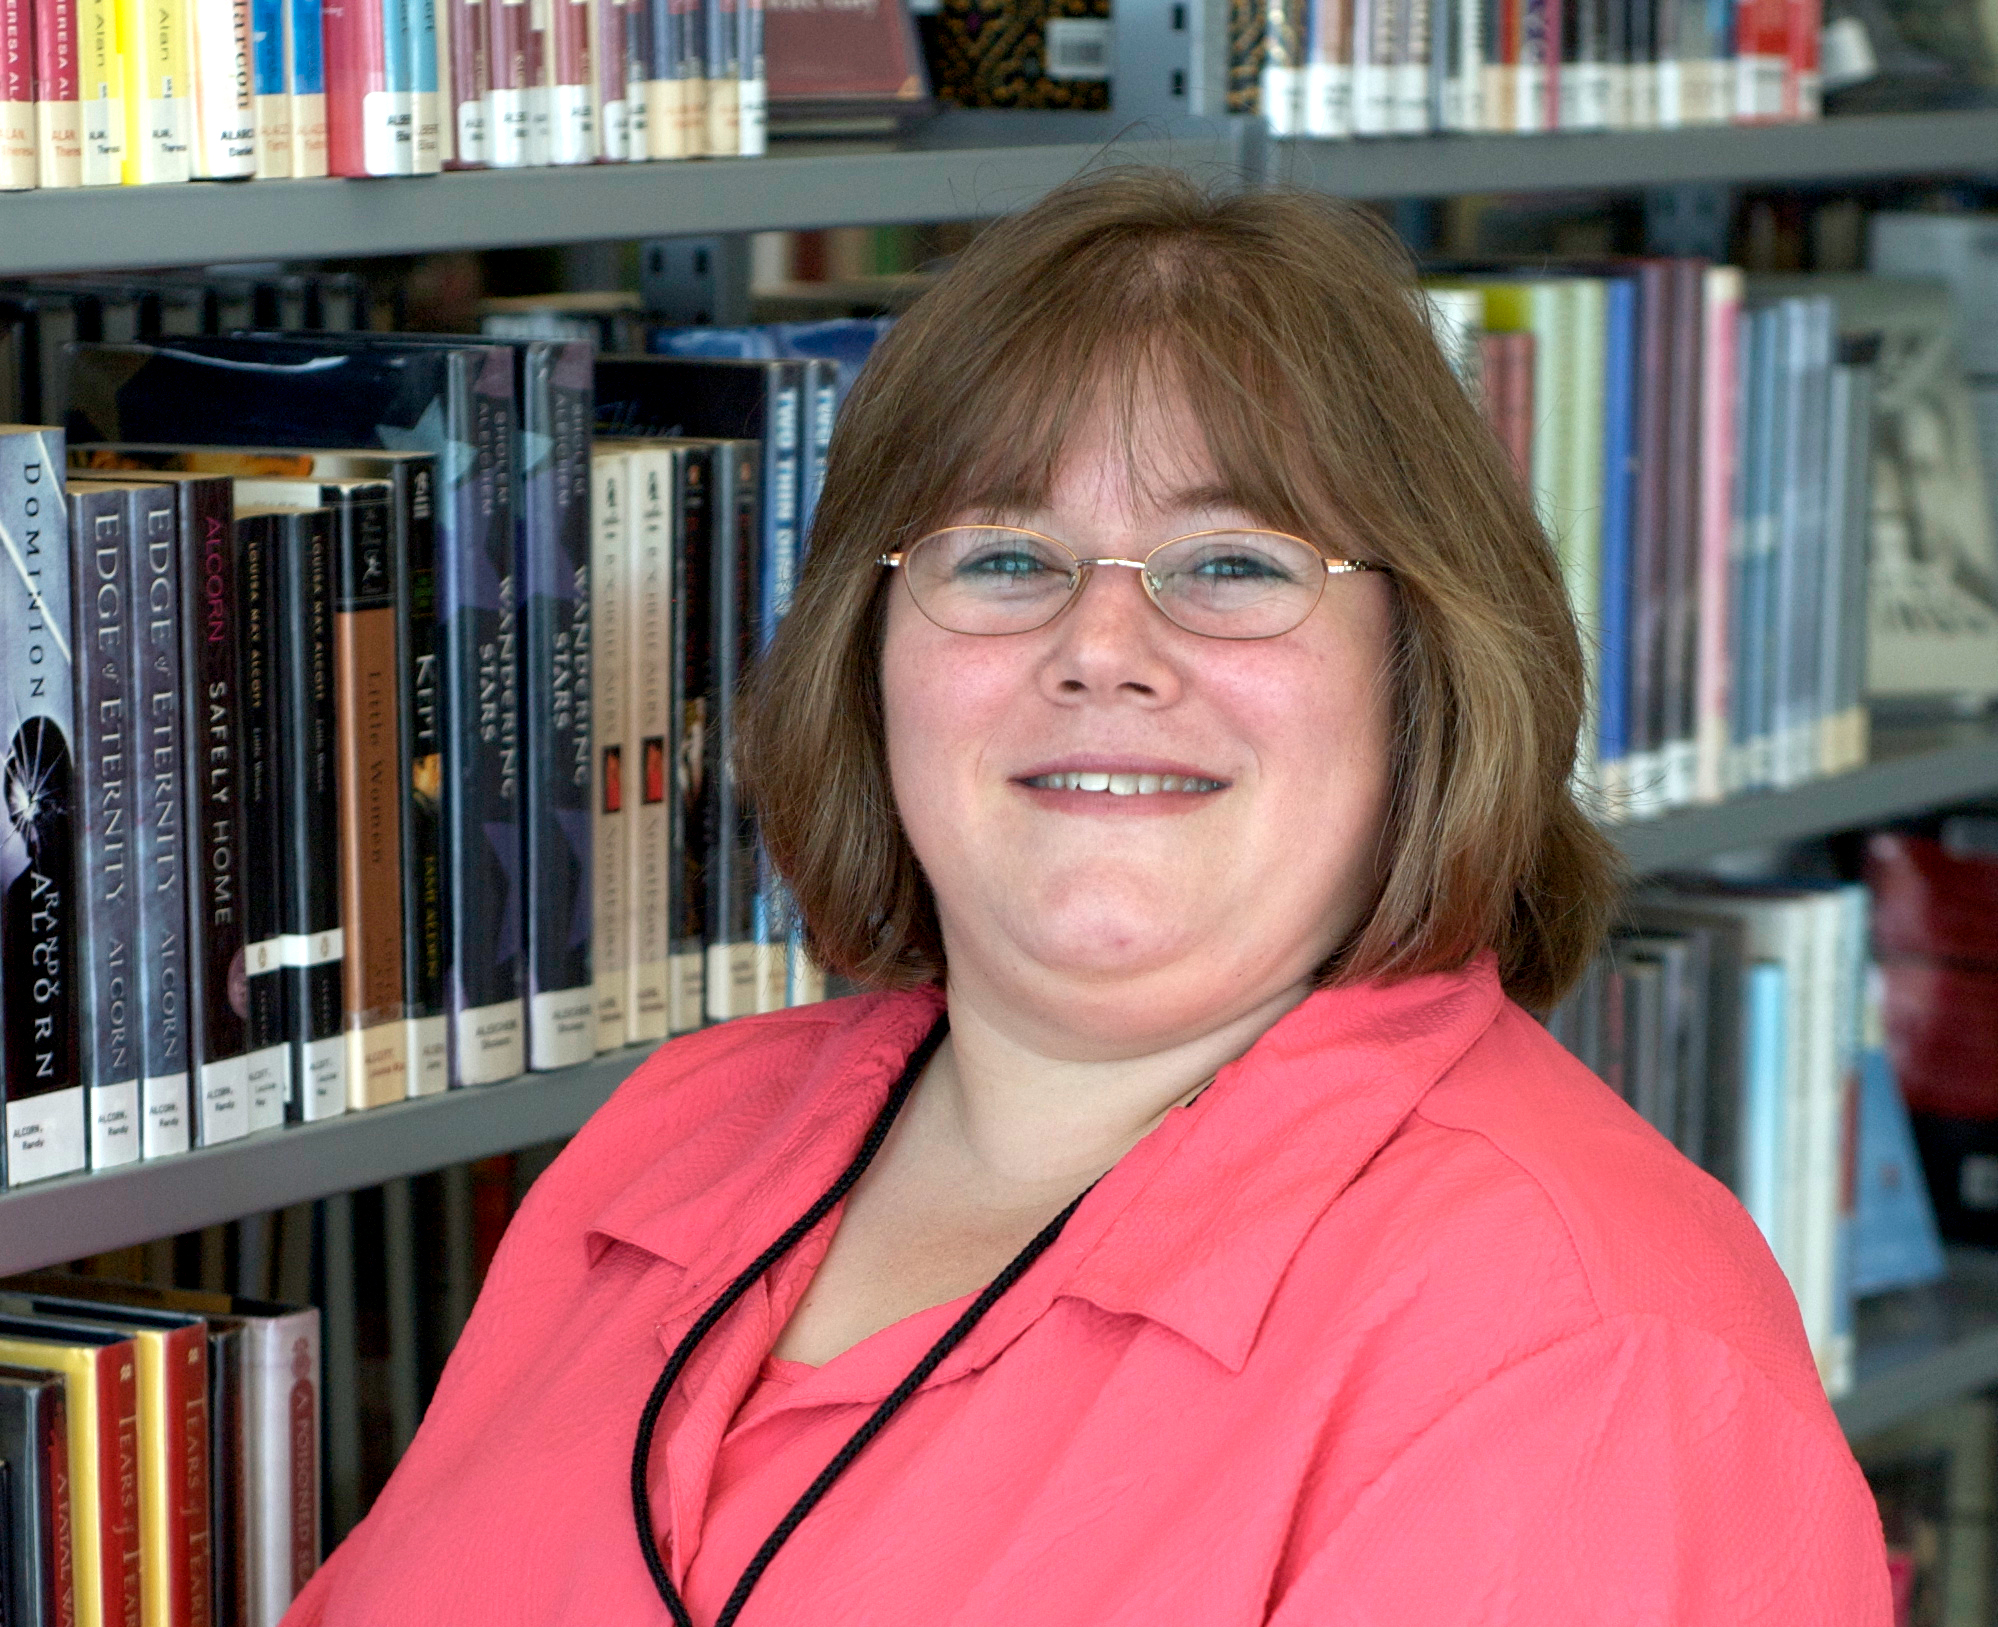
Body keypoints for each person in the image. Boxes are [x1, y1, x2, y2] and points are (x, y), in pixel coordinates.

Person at [283, 168, 1891, 1626]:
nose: (1100, 648)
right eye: (1000, 557)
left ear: (1426, 671)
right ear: (870, 651)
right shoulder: (677, 1138)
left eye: (1235, 566)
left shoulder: (1580, 1343)